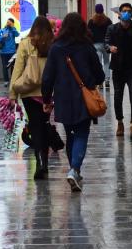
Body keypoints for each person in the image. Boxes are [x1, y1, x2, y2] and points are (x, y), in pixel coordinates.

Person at [40, 13, 104, 192]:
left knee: (71, 134)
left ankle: (73, 170)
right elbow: (100, 74)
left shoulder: (56, 48)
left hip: (63, 98)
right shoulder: (87, 47)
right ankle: (74, 169)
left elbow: (47, 77)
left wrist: (46, 99)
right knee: (82, 134)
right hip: (84, 98)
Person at [10, 16, 53, 179]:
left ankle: (40, 162)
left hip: (29, 92)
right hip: (49, 93)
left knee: (35, 127)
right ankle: (45, 163)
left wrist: (13, 94)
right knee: (45, 124)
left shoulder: (25, 44)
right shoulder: (53, 43)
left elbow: (17, 70)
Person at [107, 3, 132, 140]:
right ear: (119, 14)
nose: (126, 13)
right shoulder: (112, 29)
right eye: (124, 11)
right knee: (118, 96)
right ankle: (120, 122)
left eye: (129, 11)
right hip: (118, 68)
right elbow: (107, 43)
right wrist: (110, 47)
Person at [88, 5, 113, 86]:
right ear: (103, 10)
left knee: (98, 63)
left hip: (96, 45)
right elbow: (111, 32)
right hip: (106, 44)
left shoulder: (91, 21)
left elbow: (88, 33)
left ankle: (100, 81)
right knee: (106, 62)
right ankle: (107, 80)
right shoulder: (108, 20)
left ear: (95, 10)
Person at [0, 18, 20, 83]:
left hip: (12, 52)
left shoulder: (13, 30)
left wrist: (13, 28)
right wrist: (2, 36)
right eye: (7, 22)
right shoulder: (2, 30)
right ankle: (6, 80)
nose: (8, 24)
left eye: (10, 23)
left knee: (13, 67)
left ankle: (13, 80)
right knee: (5, 67)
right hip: (4, 52)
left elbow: (17, 34)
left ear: (12, 24)